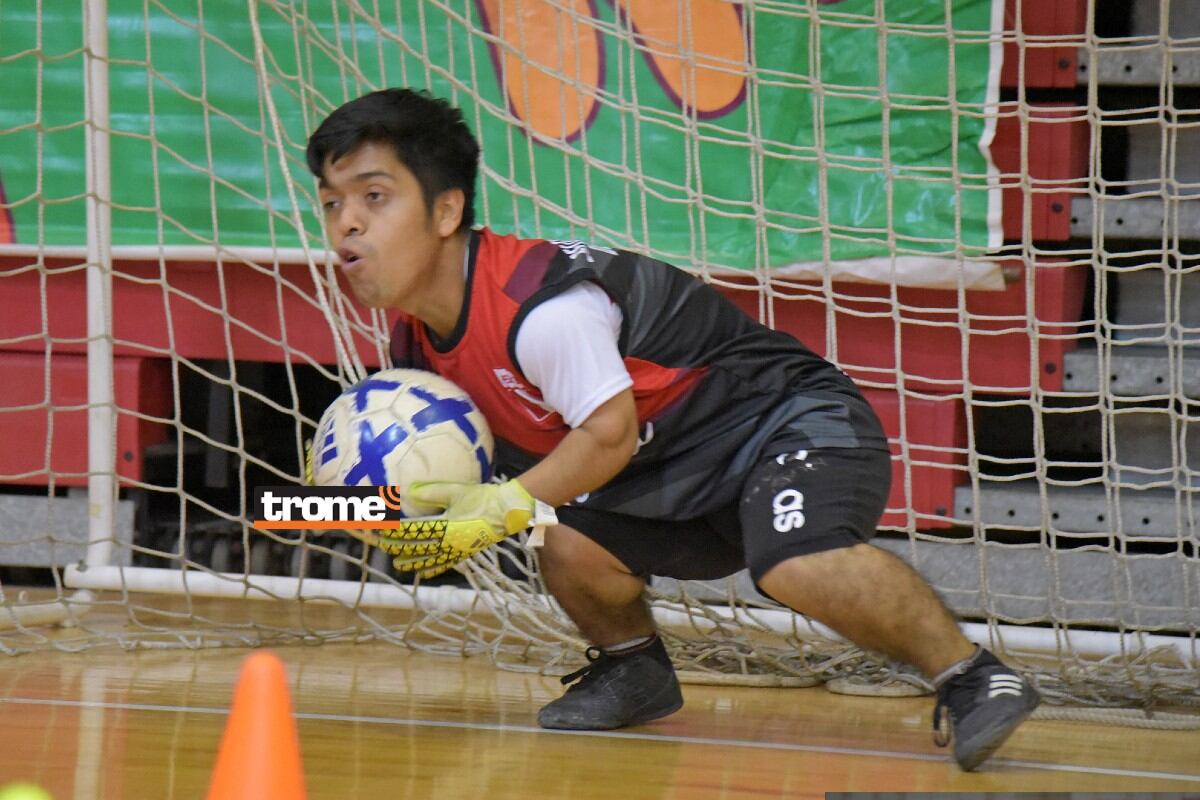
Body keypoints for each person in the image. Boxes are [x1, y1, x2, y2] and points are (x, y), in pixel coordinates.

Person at [304, 87, 1041, 771]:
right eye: (333, 203)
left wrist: (492, 512)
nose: (348, 223)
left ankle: (975, 676)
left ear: (446, 211)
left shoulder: (541, 309)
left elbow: (607, 437)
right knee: (560, 535)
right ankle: (633, 669)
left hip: (785, 425)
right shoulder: (416, 349)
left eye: (374, 197)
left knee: (794, 563)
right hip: (672, 475)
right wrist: (338, 508)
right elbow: (474, 486)